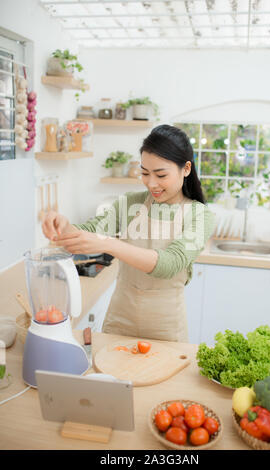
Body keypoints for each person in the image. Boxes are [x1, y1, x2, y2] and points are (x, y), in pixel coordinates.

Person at [42, 124, 215, 342]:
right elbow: (91, 231)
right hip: (120, 321)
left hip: (166, 327)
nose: (152, 183)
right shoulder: (130, 203)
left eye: (161, 175)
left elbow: (168, 264)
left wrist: (109, 244)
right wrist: (63, 225)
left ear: (186, 169)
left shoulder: (200, 216)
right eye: (145, 173)